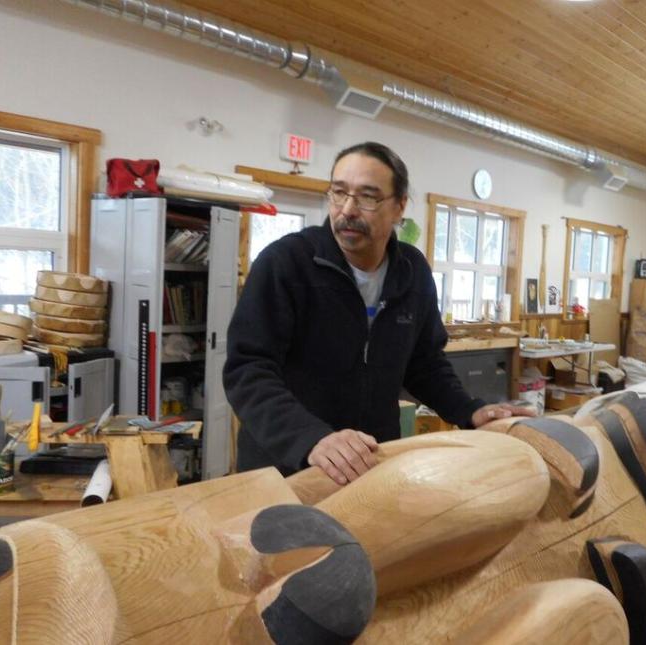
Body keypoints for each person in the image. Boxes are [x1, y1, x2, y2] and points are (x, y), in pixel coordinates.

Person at [224, 142, 531, 485]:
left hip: (372, 463)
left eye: (368, 197)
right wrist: (311, 438)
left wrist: (469, 409)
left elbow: (424, 364)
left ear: (399, 207)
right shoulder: (286, 264)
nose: (348, 209)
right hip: (287, 467)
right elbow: (248, 371)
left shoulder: (412, 272)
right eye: (339, 193)